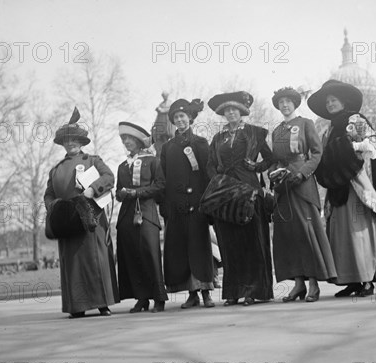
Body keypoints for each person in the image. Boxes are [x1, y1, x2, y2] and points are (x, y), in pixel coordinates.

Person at [308, 80, 376, 298]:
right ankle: (352, 280)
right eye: (327, 102)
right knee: (341, 232)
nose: (330, 104)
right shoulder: (328, 129)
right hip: (336, 187)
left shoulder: (354, 119)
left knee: (358, 231)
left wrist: (352, 147)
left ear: (342, 100)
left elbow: (374, 142)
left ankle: (367, 280)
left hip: (354, 183)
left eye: (333, 100)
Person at [44, 107, 119, 318]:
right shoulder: (56, 170)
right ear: (62, 144)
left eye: (75, 140)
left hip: (92, 217)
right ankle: (77, 306)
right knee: (73, 264)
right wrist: (55, 206)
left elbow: (108, 177)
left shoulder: (93, 160)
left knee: (96, 260)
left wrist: (93, 188)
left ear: (81, 142)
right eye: (67, 141)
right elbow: (48, 195)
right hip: (67, 220)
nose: (71, 143)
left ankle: (103, 303)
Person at [269, 87, 337, 303]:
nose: (285, 105)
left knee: (307, 232)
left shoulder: (306, 124)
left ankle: (314, 283)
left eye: (288, 102)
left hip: (302, 184)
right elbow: (275, 160)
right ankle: (298, 284)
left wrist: (303, 173)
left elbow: (317, 153)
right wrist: (274, 175)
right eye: (281, 103)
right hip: (283, 188)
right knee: (289, 235)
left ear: (295, 104)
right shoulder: (277, 131)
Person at [206, 91, 274, 306]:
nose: (231, 112)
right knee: (229, 241)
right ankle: (233, 291)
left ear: (242, 112)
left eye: (234, 109)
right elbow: (209, 165)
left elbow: (271, 158)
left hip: (249, 190)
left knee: (252, 239)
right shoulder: (218, 138)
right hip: (225, 193)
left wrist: (257, 167)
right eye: (227, 110)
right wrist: (218, 181)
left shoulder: (255, 133)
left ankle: (254, 290)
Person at [160, 99, 216, 308]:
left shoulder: (201, 143)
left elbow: (208, 174)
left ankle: (206, 291)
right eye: (176, 118)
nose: (180, 120)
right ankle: (192, 293)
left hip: (198, 204)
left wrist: (208, 202)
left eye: (183, 116)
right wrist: (165, 205)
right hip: (176, 206)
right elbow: (163, 178)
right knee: (182, 249)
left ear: (190, 118)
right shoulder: (167, 148)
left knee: (200, 246)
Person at [116, 122, 168, 313]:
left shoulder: (152, 161)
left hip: (146, 213)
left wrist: (136, 193)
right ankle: (142, 298)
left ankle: (159, 298)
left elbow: (160, 186)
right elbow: (117, 192)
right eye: (124, 139)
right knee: (132, 256)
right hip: (126, 216)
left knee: (150, 255)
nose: (127, 142)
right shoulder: (122, 166)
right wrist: (122, 193)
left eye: (130, 139)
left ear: (139, 141)